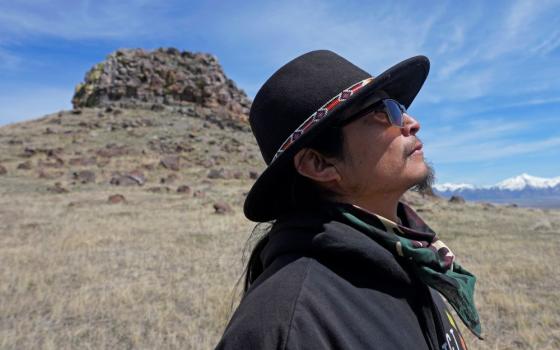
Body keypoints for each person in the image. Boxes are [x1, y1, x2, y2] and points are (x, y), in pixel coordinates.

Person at [215, 50, 482, 350]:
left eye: (399, 107)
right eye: (382, 112)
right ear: (320, 164)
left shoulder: (410, 255)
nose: (412, 122)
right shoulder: (287, 325)